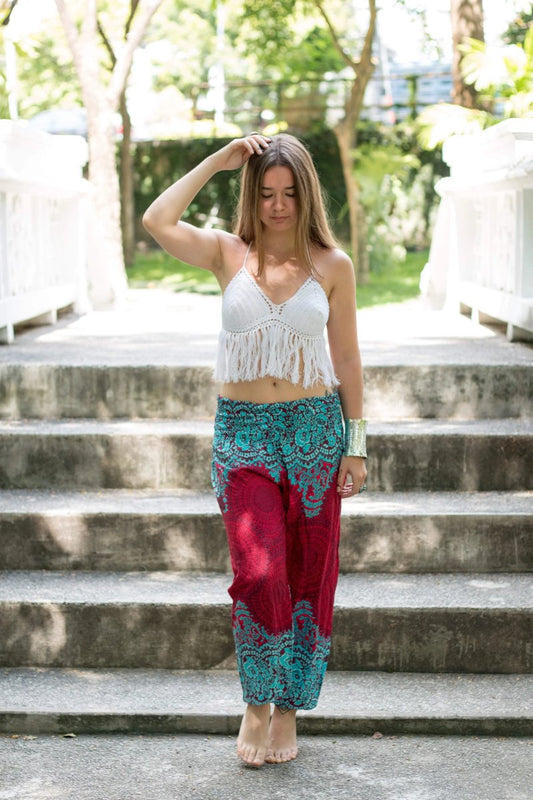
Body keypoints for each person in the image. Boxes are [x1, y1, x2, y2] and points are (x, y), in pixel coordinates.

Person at [143, 132, 367, 768]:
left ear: (306, 195)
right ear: (252, 193)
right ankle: (256, 700)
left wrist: (357, 444)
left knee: (308, 572)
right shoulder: (225, 252)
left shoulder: (332, 265)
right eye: (266, 192)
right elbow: (157, 220)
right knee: (259, 568)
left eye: (289, 193)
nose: (277, 205)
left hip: (316, 431)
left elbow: (347, 357)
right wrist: (219, 160)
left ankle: (289, 707)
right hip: (243, 433)